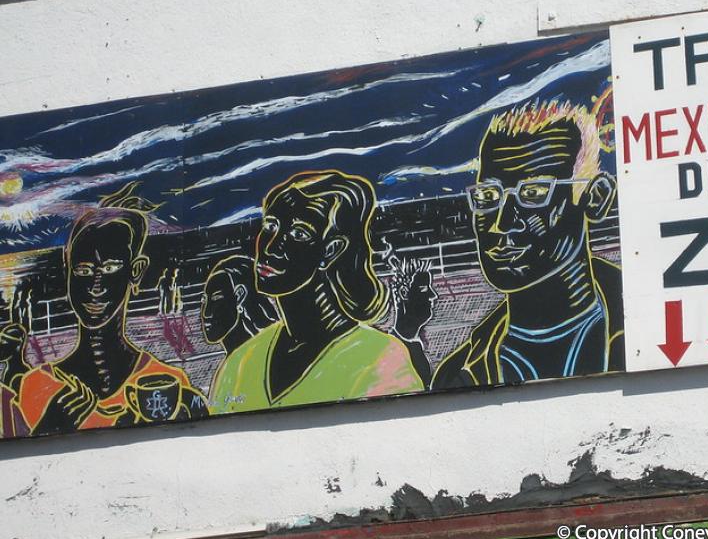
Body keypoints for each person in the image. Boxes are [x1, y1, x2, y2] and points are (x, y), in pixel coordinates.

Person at [432, 100, 624, 388]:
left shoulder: (647, 330)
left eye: (533, 193)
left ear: (594, 197)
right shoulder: (457, 376)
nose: (500, 223)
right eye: (488, 197)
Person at [210, 170, 423, 413]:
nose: (271, 247)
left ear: (331, 250)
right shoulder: (240, 363)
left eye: (299, 233)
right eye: (270, 225)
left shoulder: (380, 361)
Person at [16, 182, 207, 435]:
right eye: (83, 271)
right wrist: (49, 428)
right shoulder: (36, 386)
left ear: (135, 271)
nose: (95, 287)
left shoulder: (167, 382)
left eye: (109, 269)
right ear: (67, 273)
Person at [201, 255, 278, 383]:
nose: (206, 313)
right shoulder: (232, 366)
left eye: (216, 299)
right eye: (204, 300)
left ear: (239, 296)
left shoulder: (257, 360)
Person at [387, 255, 438, 386]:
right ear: (404, 293)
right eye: (424, 289)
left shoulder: (416, 347)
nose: (434, 296)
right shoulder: (391, 352)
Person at [0, 322, 30, 438]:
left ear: (18, 347)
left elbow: (18, 413)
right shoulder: (9, 370)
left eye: (4, 344)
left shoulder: (18, 375)